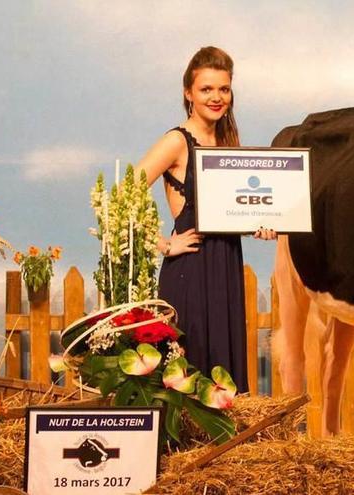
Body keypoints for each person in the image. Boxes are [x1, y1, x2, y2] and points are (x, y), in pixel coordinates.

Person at [137, 46, 275, 394]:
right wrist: (165, 245)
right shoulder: (176, 141)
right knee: (191, 366)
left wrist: (262, 224)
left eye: (223, 89)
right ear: (188, 93)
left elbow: (238, 209)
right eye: (206, 89)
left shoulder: (227, 142)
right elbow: (121, 198)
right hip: (191, 268)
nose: (216, 97)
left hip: (226, 263)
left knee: (222, 371)